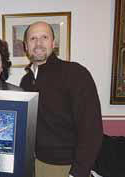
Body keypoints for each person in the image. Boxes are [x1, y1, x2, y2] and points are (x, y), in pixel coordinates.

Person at [20, 21, 103, 177]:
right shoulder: (26, 82)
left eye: (44, 37)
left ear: (53, 43)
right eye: (33, 39)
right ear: (26, 46)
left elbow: (91, 129)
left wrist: (79, 172)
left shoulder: (75, 74)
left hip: (69, 167)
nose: (38, 43)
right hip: (36, 165)